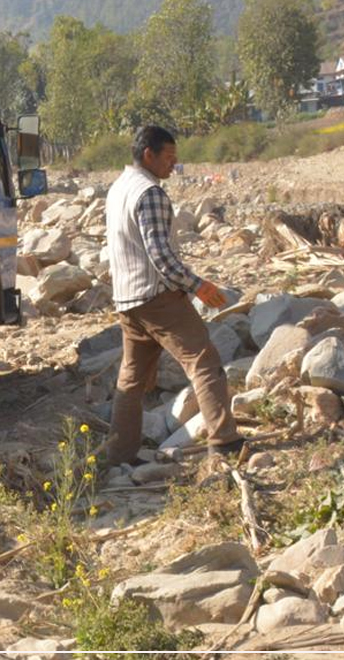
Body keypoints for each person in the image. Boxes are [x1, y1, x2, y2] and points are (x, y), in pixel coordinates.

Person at [104, 125, 243, 465]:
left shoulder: (119, 187)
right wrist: (198, 286)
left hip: (127, 299)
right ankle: (224, 442)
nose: (173, 165)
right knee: (204, 360)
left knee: (132, 378)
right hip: (156, 297)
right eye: (168, 158)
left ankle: (119, 455)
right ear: (148, 154)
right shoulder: (149, 192)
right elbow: (161, 256)